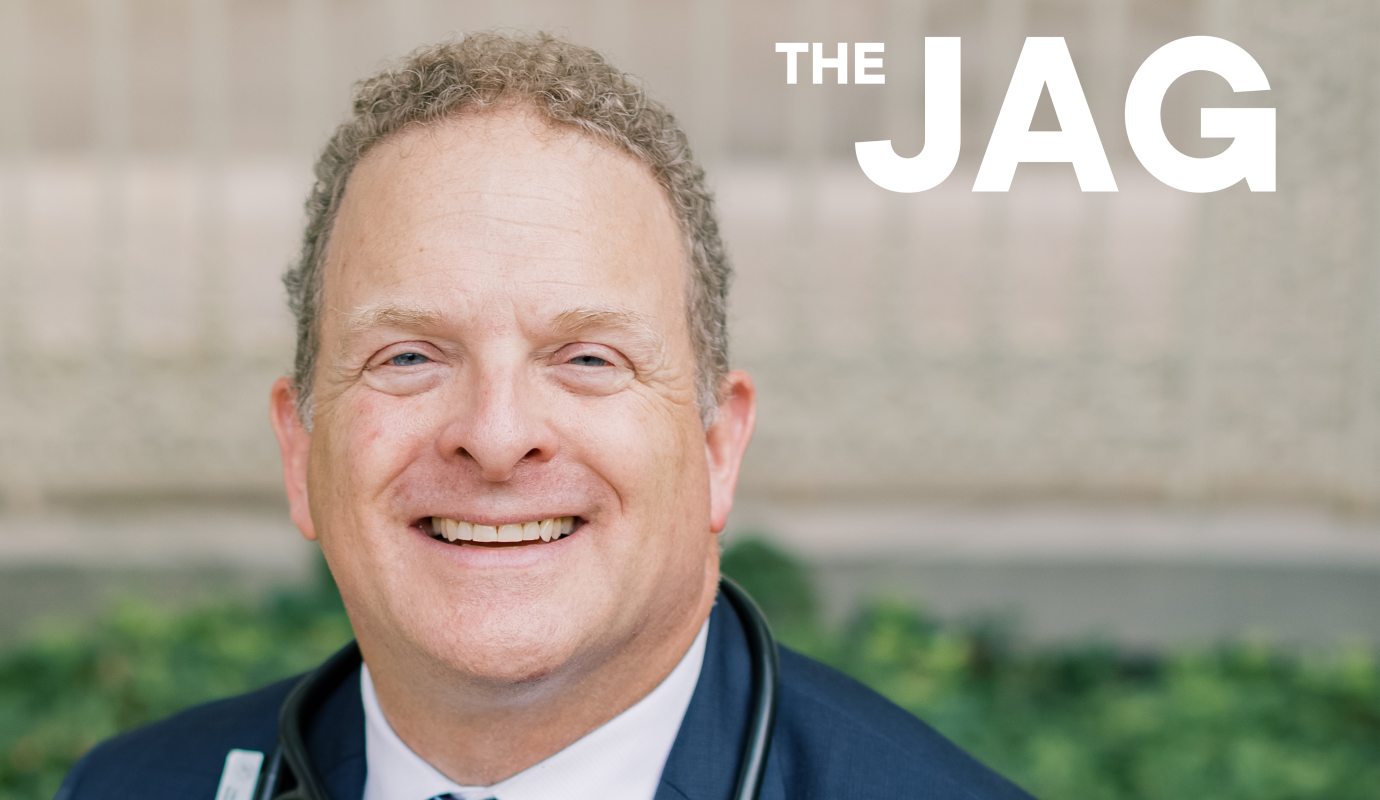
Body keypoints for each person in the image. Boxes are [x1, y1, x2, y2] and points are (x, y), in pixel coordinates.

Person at [57, 32, 1033, 800]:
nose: (494, 434)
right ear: (300, 447)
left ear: (716, 446)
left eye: (588, 358)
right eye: (409, 356)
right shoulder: (129, 788)